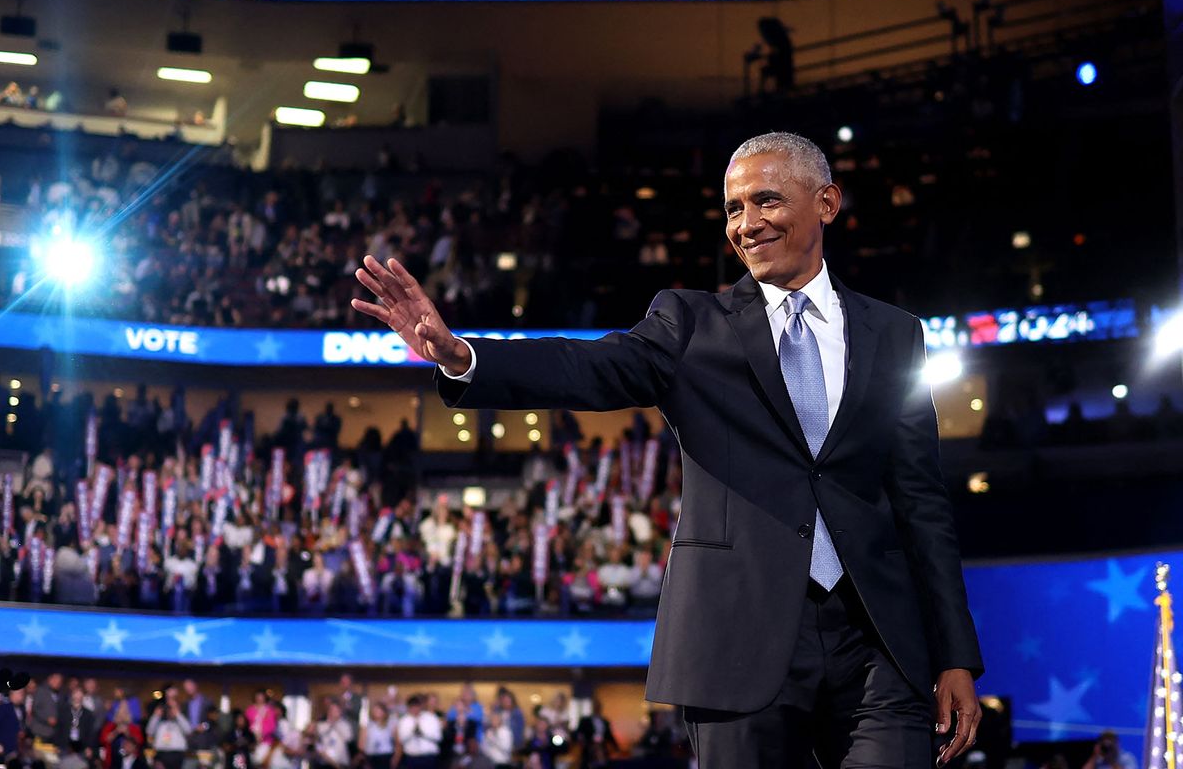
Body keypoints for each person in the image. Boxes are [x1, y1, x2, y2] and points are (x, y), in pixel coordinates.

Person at [351, 131, 984, 769]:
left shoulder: (895, 334)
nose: (747, 224)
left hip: (878, 642)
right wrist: (467, 357)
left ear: (826, 202)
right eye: (734, 209)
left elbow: (922, 502)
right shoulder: (690, 323)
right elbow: (592, 368)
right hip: (739, 640)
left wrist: (955, 654)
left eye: (766, 201)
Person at [395, 694, 441, 768]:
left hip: (429, 757)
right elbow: (401, 740)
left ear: (421, 706)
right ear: (409, 708)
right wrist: (412, 732)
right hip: (412, 757)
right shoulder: (404, 720)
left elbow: (438, 737)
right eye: (412, 707)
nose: (415, 709)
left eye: (417, 706)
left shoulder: (431, 718)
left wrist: (423, 733)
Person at [359, 702, 397, 769]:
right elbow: (361, 746)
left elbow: (397, 743)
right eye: (375, 710)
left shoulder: (391, 724)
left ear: (384, 712)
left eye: (379, 710)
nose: (377, 712)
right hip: (371, 757)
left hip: (386, 756)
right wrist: (365, 761)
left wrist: (395, 758)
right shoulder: (367, 725)